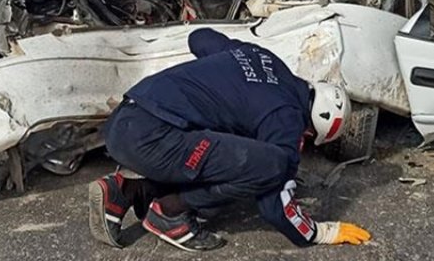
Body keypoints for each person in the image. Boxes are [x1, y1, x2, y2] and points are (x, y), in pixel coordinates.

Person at [89, 28, 371, 251]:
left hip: (124, 119)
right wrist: (321, 232)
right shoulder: (287, 118)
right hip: (152, 139)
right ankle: (169, 213)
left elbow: (199, 38)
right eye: (308, 136)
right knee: (272, 165)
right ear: (314, 125)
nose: (303, 139)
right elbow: (274, 203)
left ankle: (126, 192)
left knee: (224, 147)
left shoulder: (264, 58)